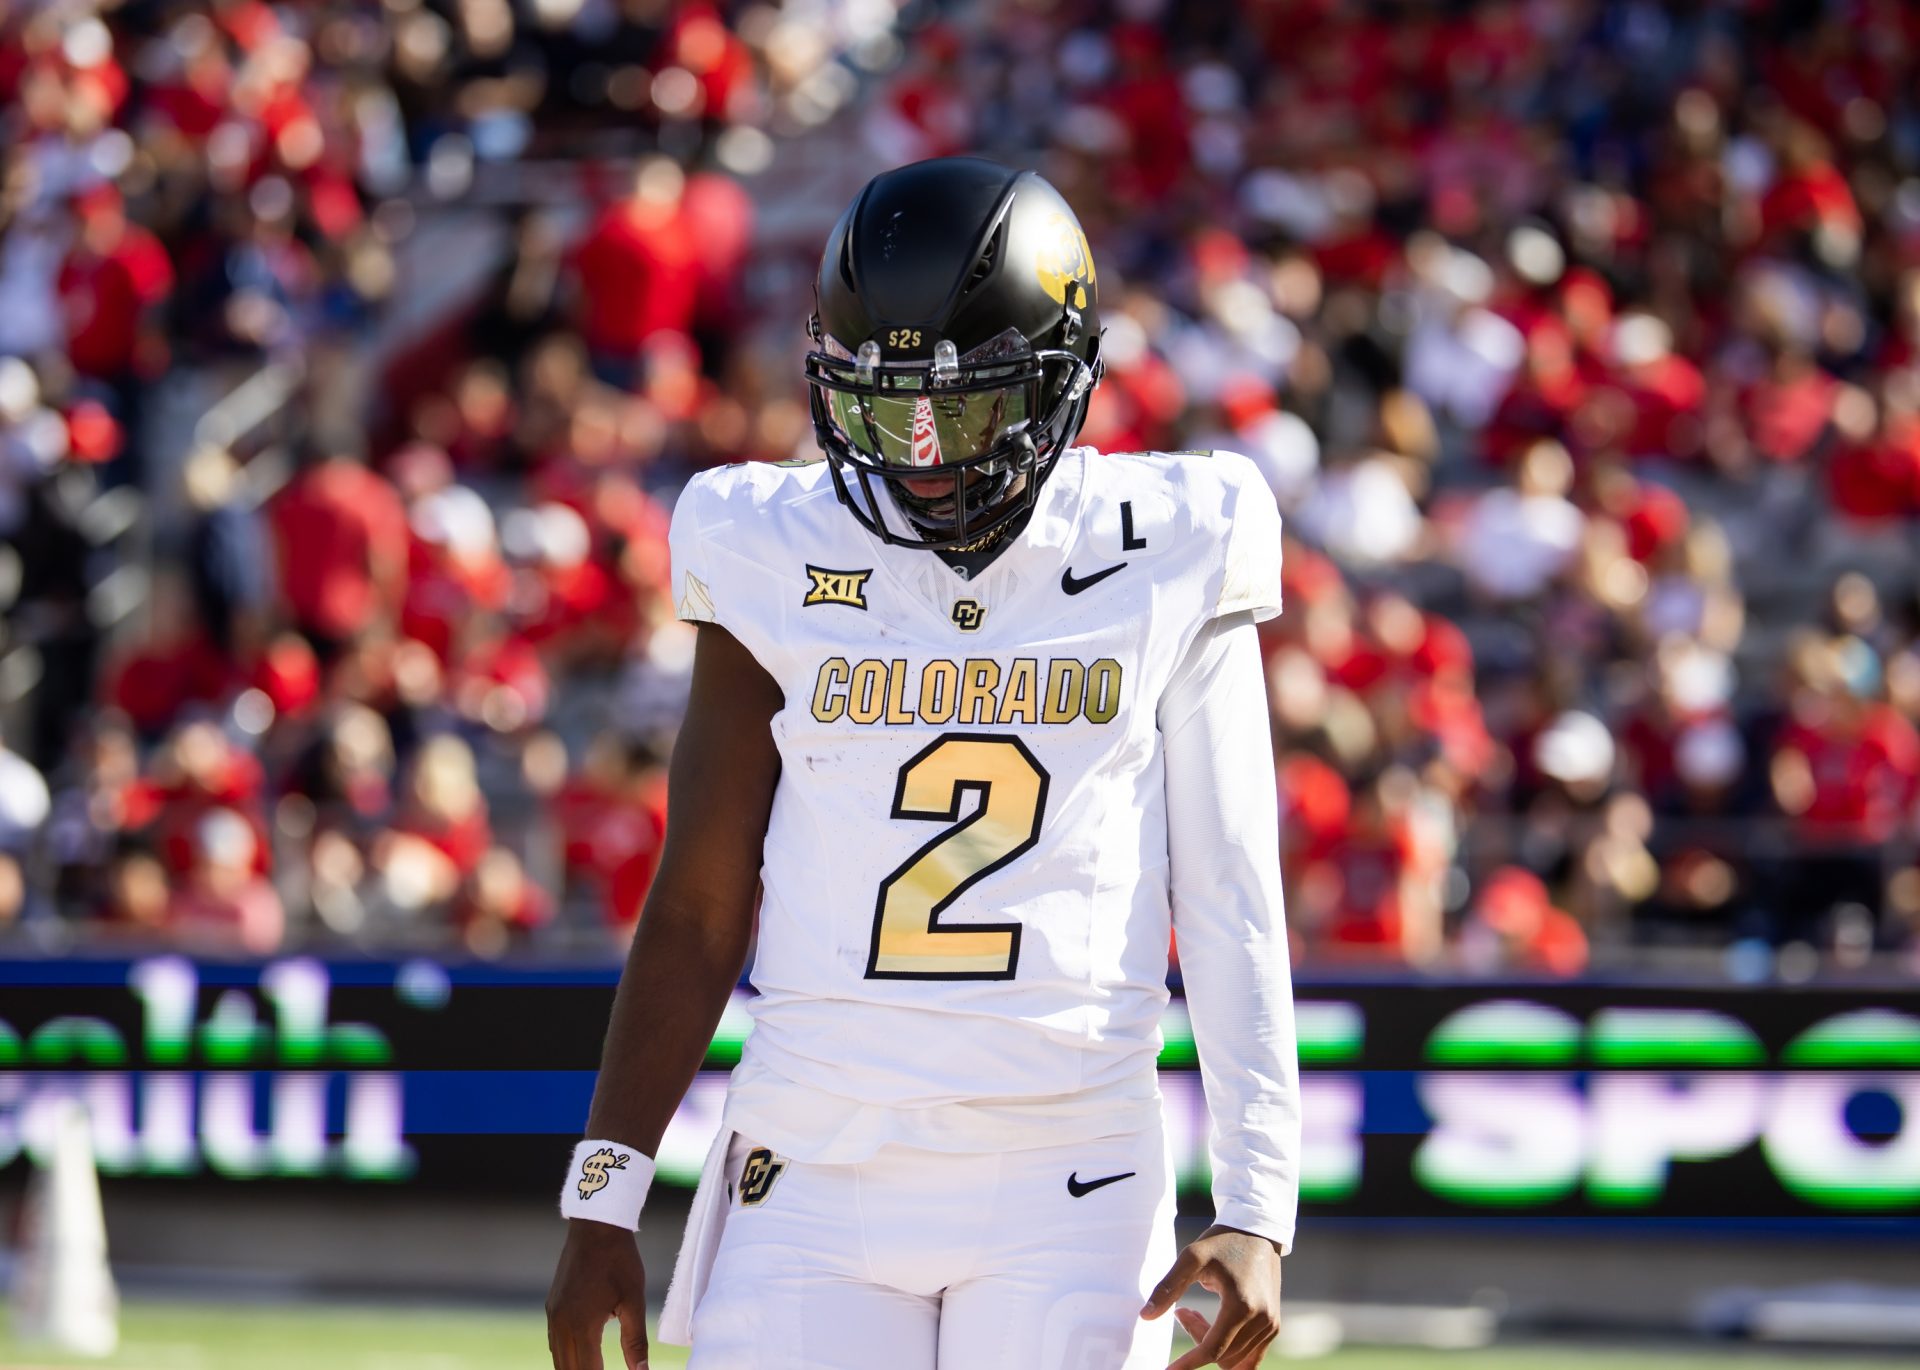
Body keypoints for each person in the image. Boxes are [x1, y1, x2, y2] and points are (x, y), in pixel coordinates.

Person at [545, 157, 1300, 1370]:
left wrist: (1260, 1202)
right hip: (810, 1161)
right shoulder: (770, 541)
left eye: (965, 404)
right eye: (882, 403)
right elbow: (696, 899)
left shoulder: (1173, 537)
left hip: (1072, 1172)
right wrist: (603, 1191)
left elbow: (1228, 890)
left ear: (1060, 380)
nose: (922, 449)